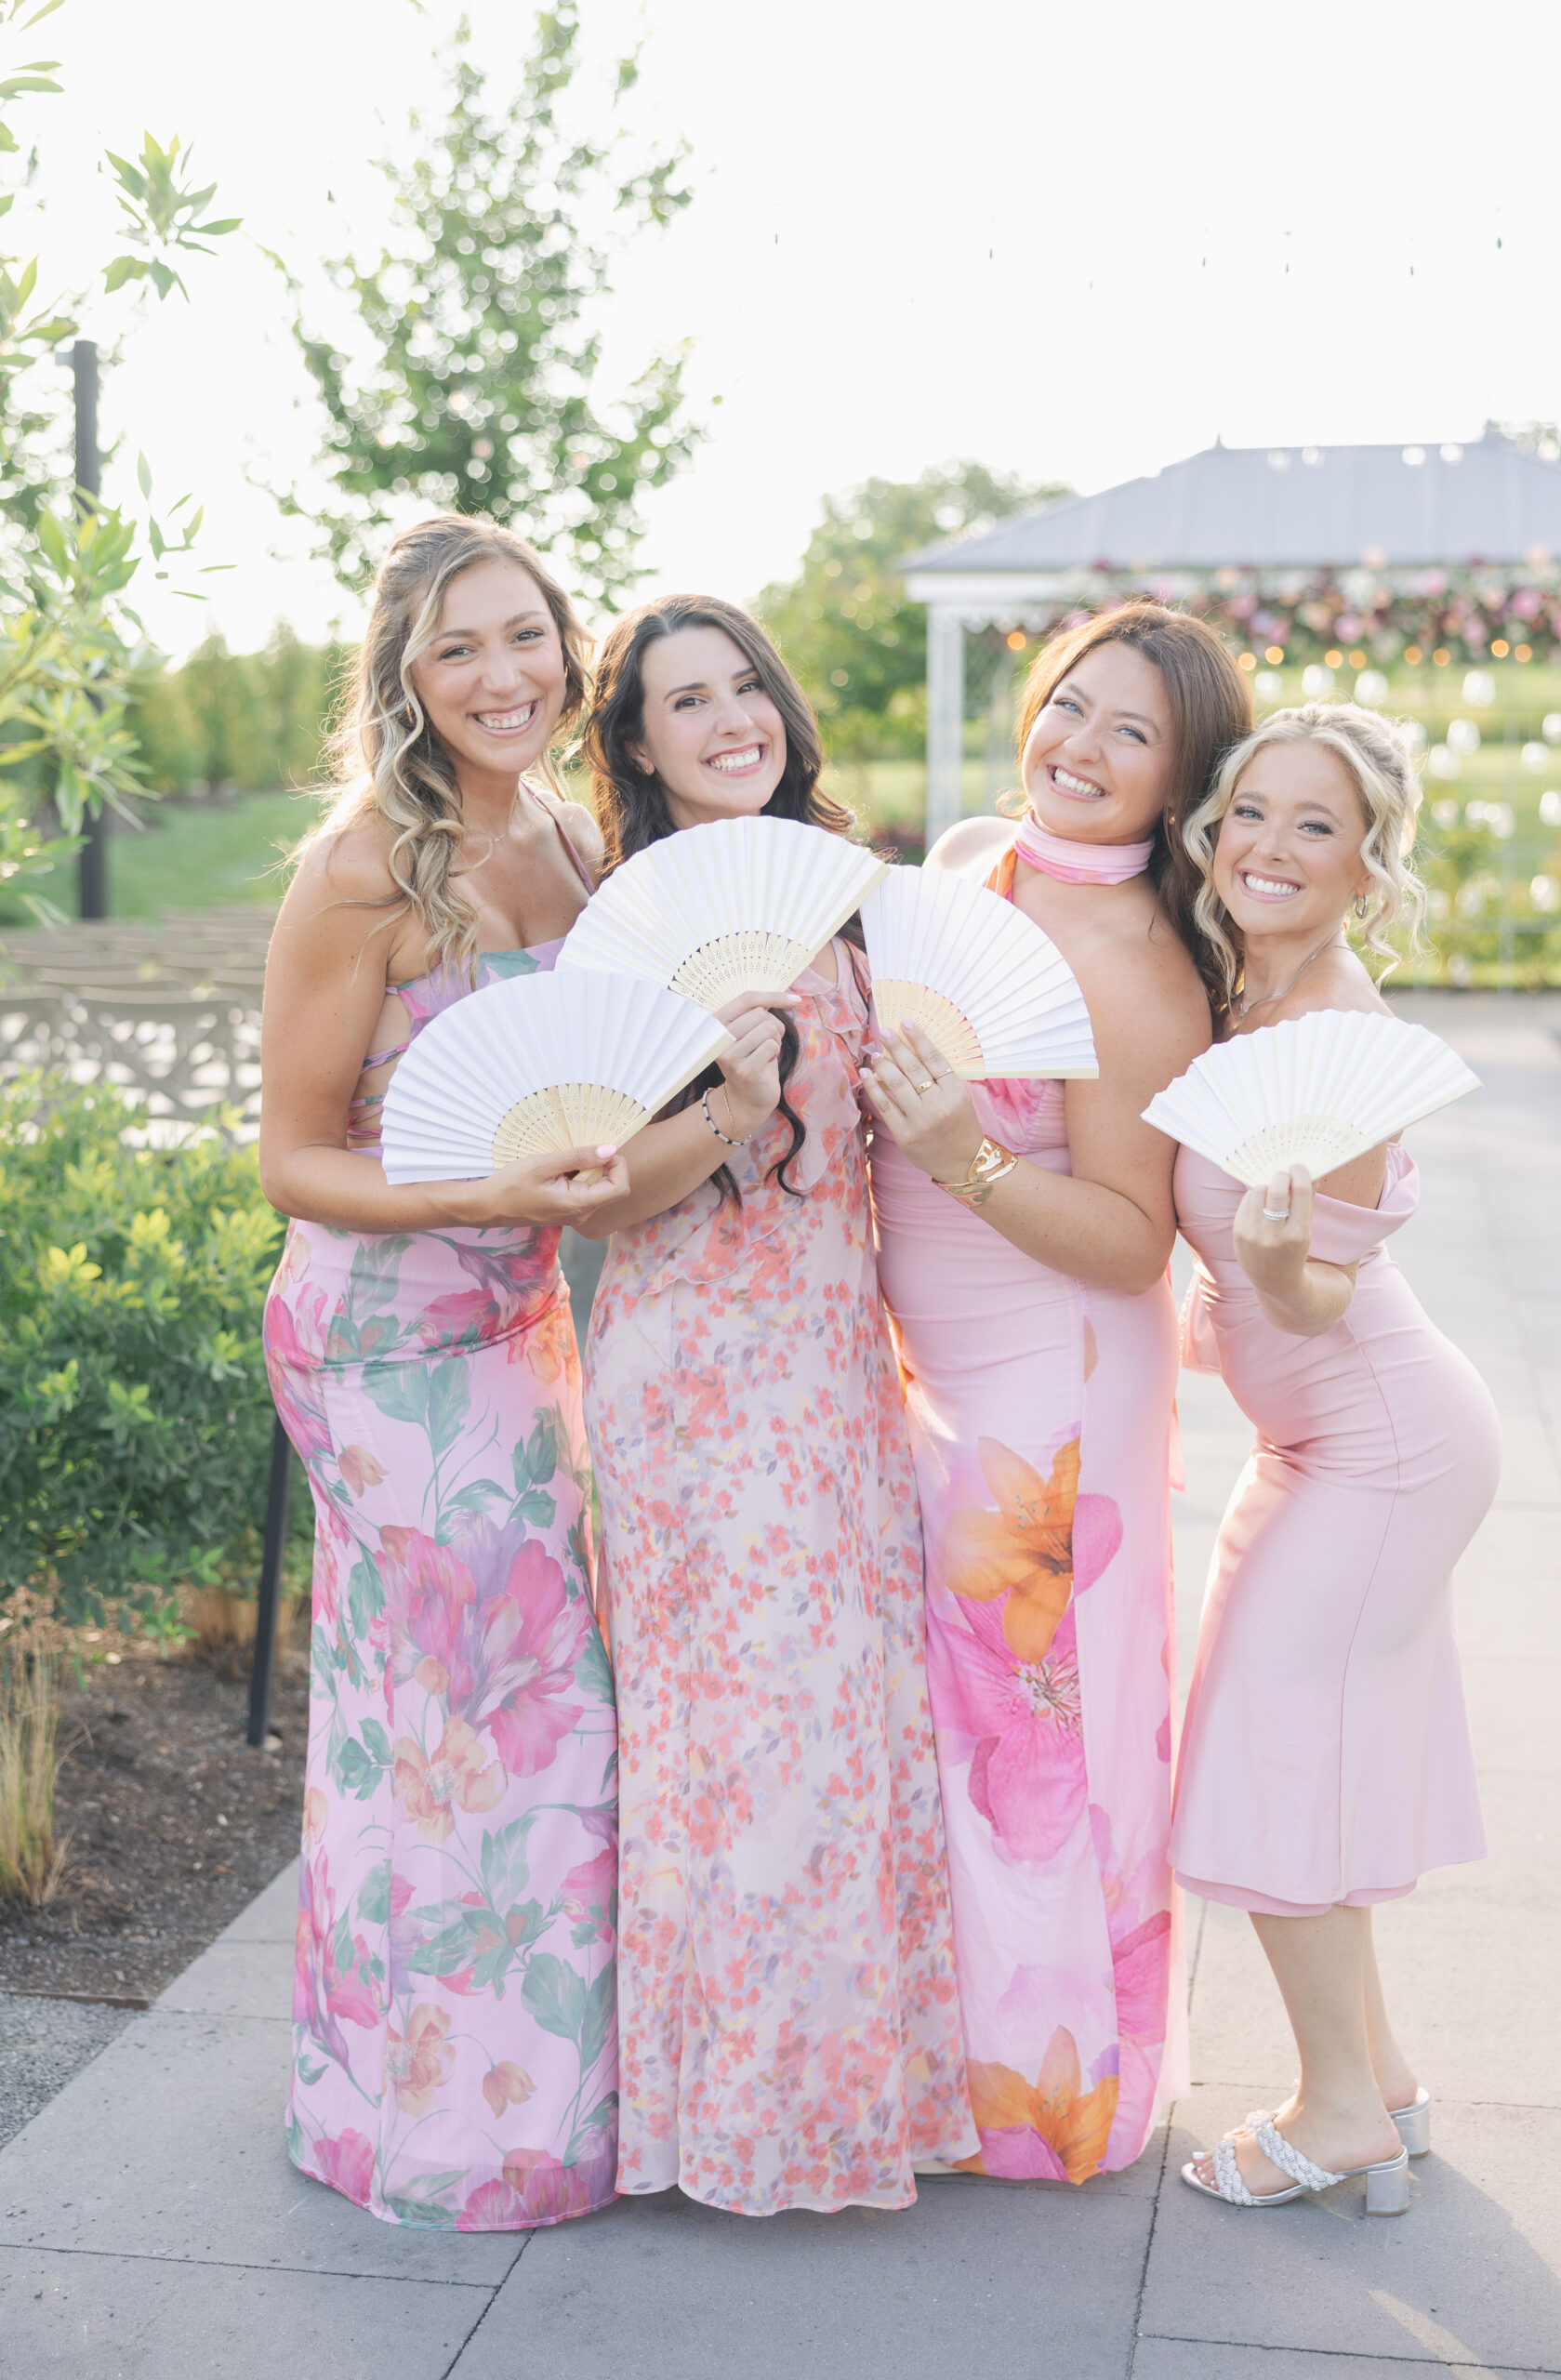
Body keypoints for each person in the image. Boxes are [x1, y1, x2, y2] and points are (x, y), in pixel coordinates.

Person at [575, 593, 976, 2215]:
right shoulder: (629, 924)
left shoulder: (845, 896)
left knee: (840, 1725)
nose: (729, 718)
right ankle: (738, 2121)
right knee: (739, 1739)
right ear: (637, 743)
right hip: (694, 1374)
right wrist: (728, 1104)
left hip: (832, 1367)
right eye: (686, 700)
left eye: (745, 685)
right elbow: (601, 1200)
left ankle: (855, 2095)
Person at [258, 515, 632, 2231]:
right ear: (405, 674)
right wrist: (479, 1193)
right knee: (461, 1722)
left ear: (567, 643)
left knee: (530, 1709)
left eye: (525, 635)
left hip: (517, 1320)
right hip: (384, 1336)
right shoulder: (362, 870)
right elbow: (291, 1159)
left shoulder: (573, 836)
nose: (503, 675)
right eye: (460, 648)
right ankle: (433, 2136)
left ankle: (542, 2103)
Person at [862, 603, 1251, 2182]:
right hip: (930, 1369)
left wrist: (959, 1153)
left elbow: (1130, 1239)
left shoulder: (1138, 965)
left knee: (1035, 1738)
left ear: (1178, 780)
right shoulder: (968, 868)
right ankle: (951, 2051)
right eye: (1070, 705)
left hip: (1055, 1378)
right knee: (951, 1723)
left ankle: (1045, 2098)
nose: (1080, 748)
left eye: (1130, 733)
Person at [1167, 702, 1500, 2212]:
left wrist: (1267, 1264)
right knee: (1313, 1744)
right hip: (1313, 1443)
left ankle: (1340, 2112)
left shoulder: (1343, 1037)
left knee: (1272, 1741)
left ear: (1369, 866)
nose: (1270, 845)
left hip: (1384, 1445)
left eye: (1317, 825)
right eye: (1251, 811)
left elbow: (1317, 1298)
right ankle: (1388, 2081)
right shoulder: (1246, 996)